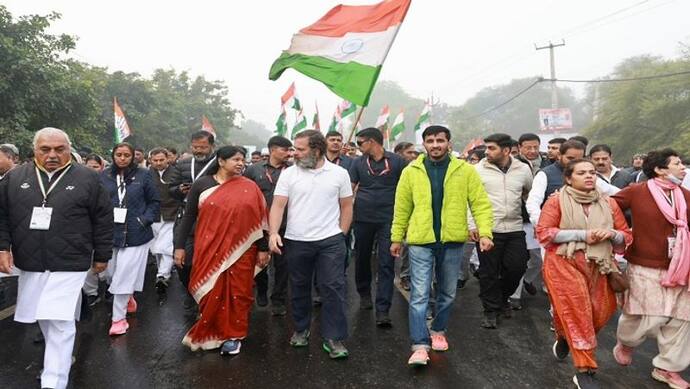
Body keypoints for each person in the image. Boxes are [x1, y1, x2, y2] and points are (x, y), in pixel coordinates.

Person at [0, 128, 113, 389]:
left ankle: (54, 381)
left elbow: (103, 219)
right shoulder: (16, 177)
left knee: (60, 321)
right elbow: (2, 215)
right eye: (45, 149)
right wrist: (3, 247)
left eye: (59, 149)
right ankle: (58, 362)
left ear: (68, 149)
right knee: (45, 317)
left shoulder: (88, 178)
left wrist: (102, 254)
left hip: (71, 260)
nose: (52, 155)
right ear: (35, 150)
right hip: (30, 261)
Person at [390, 125, 494, 366]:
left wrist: (486, 233)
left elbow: (480, 203)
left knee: (447, 292)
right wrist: (396, 237)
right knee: (419, 294)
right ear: (423, 144)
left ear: (449, 142)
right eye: (430, 140)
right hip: (420, 241)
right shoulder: (411, 170)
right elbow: (402, 206)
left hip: (452, 241)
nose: (435, 145)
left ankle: (438, 330)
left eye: (440, 140)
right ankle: (419, 345)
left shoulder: (464, 170)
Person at [537, 158, 631, 389]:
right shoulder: (556, 201)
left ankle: (564, 336)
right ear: (568, 178)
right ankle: (585, 370)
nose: (590, 176)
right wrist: (582, 235)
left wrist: (610, 234)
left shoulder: (608, 203)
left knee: (600, 313)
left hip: (601, 264)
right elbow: (544, 233)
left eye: (592, 172)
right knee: (578, 314)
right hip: (563, 263)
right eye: (582, 173)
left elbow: (625, 236)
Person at [174, 145, 270, 355]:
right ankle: (212, 331)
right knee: (212, 290)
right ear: (221, 161)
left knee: (238, 293)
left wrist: (263, 248)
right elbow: (189, 217)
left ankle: (233, 336)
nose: (240, 163)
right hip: (209, 248)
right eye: (235, 159)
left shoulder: (249, 187)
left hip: (243, 250)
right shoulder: (202, 185)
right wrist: (179, 247)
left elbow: (261, 221)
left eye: (242, 159)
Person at [268, 130, 353, 359]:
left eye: (300, 149)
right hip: (296, 241)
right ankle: (301, 329)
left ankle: (334, 338)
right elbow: (277, 206)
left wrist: (341, 234)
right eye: (294, 149)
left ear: (316, 150)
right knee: (299, 288)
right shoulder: (288, 175)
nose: (294, 153)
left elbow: (346, 206)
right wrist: (274, 233)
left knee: (333, 287)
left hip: (330, 242)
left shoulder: (339, 173)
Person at [612, 149, 690, 389]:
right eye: (677, 164)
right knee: (647, 314)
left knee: (682, 318)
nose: (683, 168)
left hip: (681, 265)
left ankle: (667, 368)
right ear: (660, 169)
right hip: (644, 263)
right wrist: (621, 235)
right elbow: (608, 207)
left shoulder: (685, 195)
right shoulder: (637, 192)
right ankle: (626, 341)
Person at [472, 134, 533, 329]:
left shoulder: (523, 169)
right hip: (488, 229)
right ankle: (490, 310)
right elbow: (468, 199)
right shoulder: (476, 170)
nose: (486, 152)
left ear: (506, 150)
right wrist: (473, 226)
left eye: (491, 148)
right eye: (486, 148)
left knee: (517, 267)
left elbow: (528, 193)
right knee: (488, 272)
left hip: (515, 227)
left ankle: (501, 298)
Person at [102, 142, 160, 336]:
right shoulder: (104, 176)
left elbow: (154, 202)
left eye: (127, 155)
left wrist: (144, 220)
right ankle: (128, 297)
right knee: (110, 275)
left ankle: (118, 319)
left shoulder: (144, 175)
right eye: (119, 154)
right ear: (113, 156)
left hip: (136, 233)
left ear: (133, 156)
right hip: (110, 232)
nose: (123, 158)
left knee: (123, 275)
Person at [350, 127, 406, 327]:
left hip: (389, 219)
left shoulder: (398, 161)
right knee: (362, 258)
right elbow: (350, 189)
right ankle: (364, 293)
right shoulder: (357, 163)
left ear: (373, 141)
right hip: (363, 218)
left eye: (360, 143)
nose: (358, 147)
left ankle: (383, 309)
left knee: (386, 262)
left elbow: (406, 188)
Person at [243, 136, 292, 315]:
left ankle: (278, 299)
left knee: (283, 264)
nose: (288, 153)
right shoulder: (253, 170)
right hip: (259, 224)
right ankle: (262, 290)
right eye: (284, 150)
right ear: (272, 150)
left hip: (286, 224)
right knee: (260, 260)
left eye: (290, 150)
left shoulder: (294, 171)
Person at [169, 130, 216, 310]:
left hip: (211, 218)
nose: (199, 150)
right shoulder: (182, 164)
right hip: (187, 217)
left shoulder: (218, 165)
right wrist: (179, 189)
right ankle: (190, 290)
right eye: (195, 147)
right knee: (183, 262)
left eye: (203, 147)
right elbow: (171, 189)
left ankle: (206, 295)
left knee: (210, 260)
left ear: (212, 146)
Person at [148, 147, 179, 298]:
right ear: (150, 161)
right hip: (153, 215)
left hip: (172, 214)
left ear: (168, 159)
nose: (159, 163)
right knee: (156, 247)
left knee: (166, 245)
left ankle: (162, 275)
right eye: (155, 160)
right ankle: (162, 272)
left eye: (161, 160)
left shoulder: (176, 173)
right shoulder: (146, 174)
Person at [394, 141, 419, 292]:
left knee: (408, 245)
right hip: (393, 212)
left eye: (414, 152)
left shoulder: (415, 169)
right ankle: (392, 273)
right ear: (399, 153)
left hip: (413, 213)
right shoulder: (392, 169)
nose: (413, 155)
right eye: (409, 152)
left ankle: (406, 275)